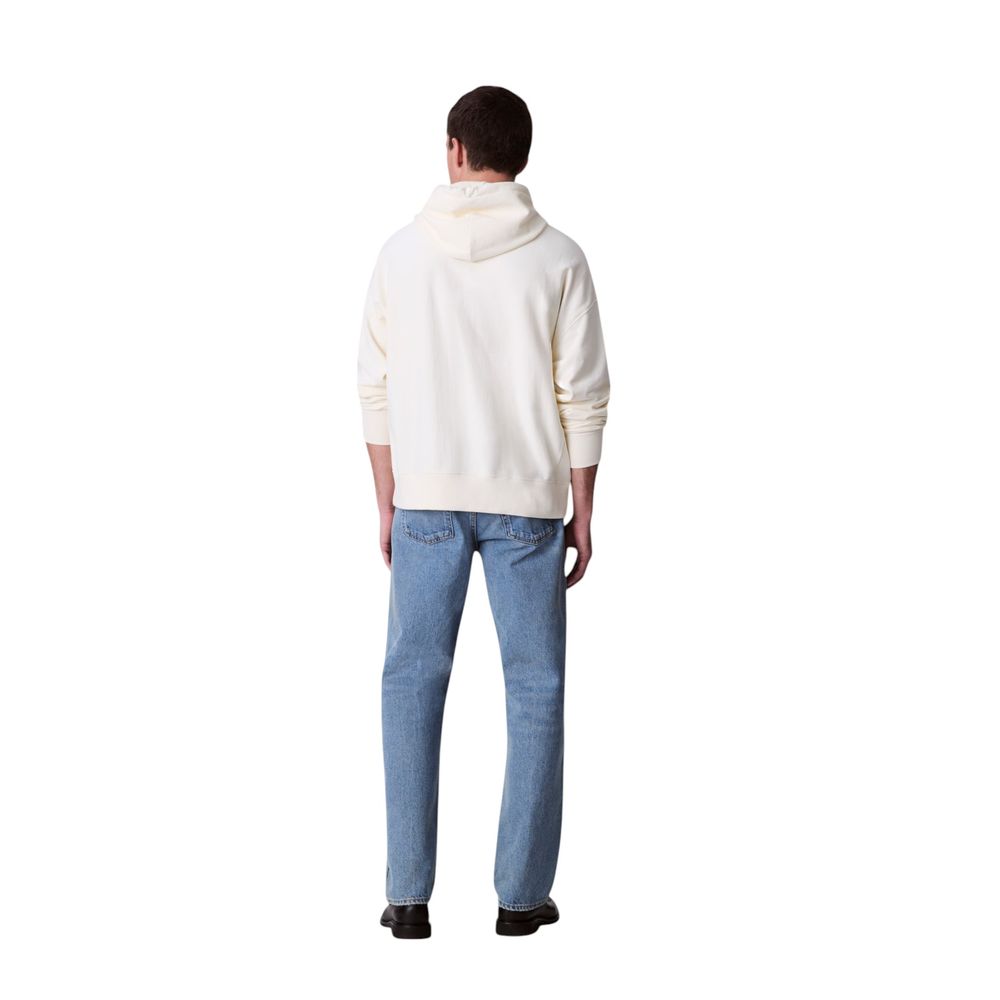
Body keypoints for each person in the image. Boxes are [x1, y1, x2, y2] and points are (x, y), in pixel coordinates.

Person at [357, 85, 611, 939]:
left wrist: (386, 497)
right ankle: (519, 898)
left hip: (426, 497)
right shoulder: (561, 258)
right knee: (535, 689)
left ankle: (407, 897)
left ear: (455, 151)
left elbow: (373, 385)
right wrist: (583, 507)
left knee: (410, 684)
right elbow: (583, 393)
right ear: (521, 156)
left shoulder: (401, 254)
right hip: (526, 504)